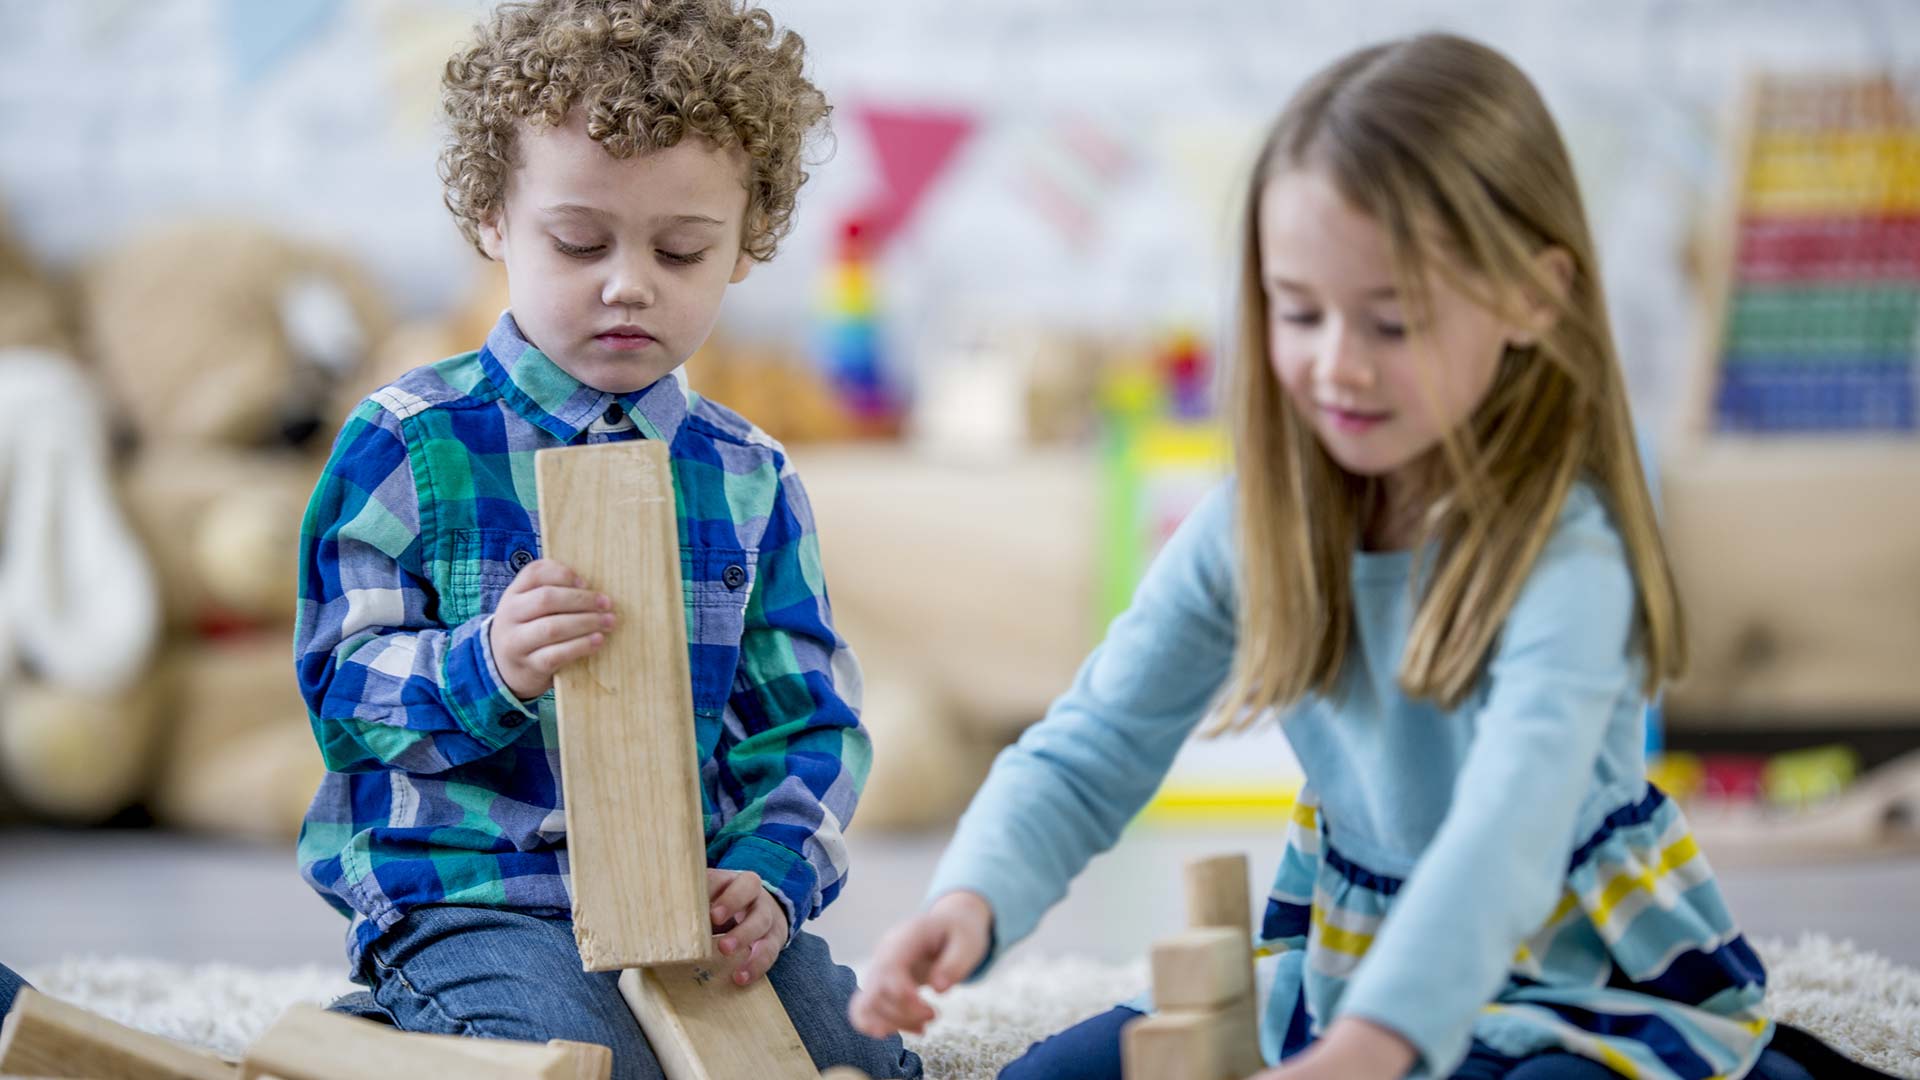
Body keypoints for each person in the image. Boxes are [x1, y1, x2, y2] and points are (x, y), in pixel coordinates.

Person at [851, 33, 1817, 1080]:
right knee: (1046, 1076)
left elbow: (1505, 837)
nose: (1336, 364)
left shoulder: (1567, 560)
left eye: (1394, 321)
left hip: (1575, 979)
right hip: (1349, 970)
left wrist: (1370, 1050)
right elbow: (1097, 743)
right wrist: (969, 897)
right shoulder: (1252, 526)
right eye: (1298, 312)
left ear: (1535, 298)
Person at [292, 3, 918, 1077]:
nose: (629, 283)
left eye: (682, 251)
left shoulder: (748, 476)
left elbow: (807, 722)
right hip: (474, 892)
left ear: (746, 243)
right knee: (582, 1064)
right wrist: (488, 662)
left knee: (850, 1062)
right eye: (579, 241)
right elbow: (344, 695)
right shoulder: (406, 443)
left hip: (686, 895)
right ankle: (372, 1044)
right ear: (494, 218)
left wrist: (769, 877)